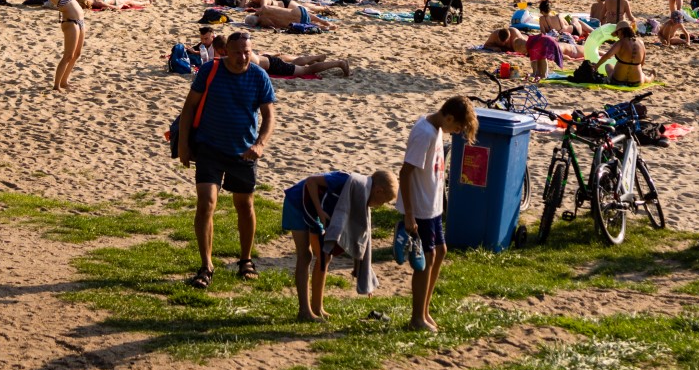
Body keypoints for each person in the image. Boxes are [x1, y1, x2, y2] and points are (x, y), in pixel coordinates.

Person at [178, 30, 275, 288]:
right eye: (237, 52)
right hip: (210, 148)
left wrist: (260, 144)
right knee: (206, 203)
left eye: (247, 52)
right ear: (225, 53)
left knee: (244, 205)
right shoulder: (210, 71)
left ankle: (245, 260)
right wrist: (184, 144)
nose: (243, 57)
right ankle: (206, 266)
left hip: (244, 151)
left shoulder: (259, 76)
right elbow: (189, 107)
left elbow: (269, 116)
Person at [396, 97, 476, 332]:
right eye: (458, 128)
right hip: (420, 208)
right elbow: (405, 173)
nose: (456, 132)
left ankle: (424, 310)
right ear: (449, 117)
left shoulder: (438, 129)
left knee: (440, 252)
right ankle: (416, 318)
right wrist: (409, 214)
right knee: (425, 260)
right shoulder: (425, 134)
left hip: (432, 207)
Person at [283, 168, 396, 321]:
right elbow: (311, 181)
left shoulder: (360, 194)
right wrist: (320, 212)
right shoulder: (345, 180)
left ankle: (317, 307)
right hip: (297, 202)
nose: (380, 205)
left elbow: (360, 235)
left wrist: (359, 269)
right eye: (383, 201)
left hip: (315, 211)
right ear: (378, 191)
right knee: (305, 256)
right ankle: (304, 311)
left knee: (325, 256)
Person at [45, 0, 86, 91]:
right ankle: (56, 85)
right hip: (70, 23)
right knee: (68, 55)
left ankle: (64, 81)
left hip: (80, 22)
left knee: (76, 54)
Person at [596, 22, 646, 86]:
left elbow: (607, 56)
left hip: (617, 80)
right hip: (636, 82)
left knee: (608, 66)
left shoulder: (620, 43)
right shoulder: (641, 43)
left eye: (617, 33)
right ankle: (651, 77)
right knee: (643, 76)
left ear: (621, 31)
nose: (617, 36)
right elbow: (642, 63)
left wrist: (596, 66)